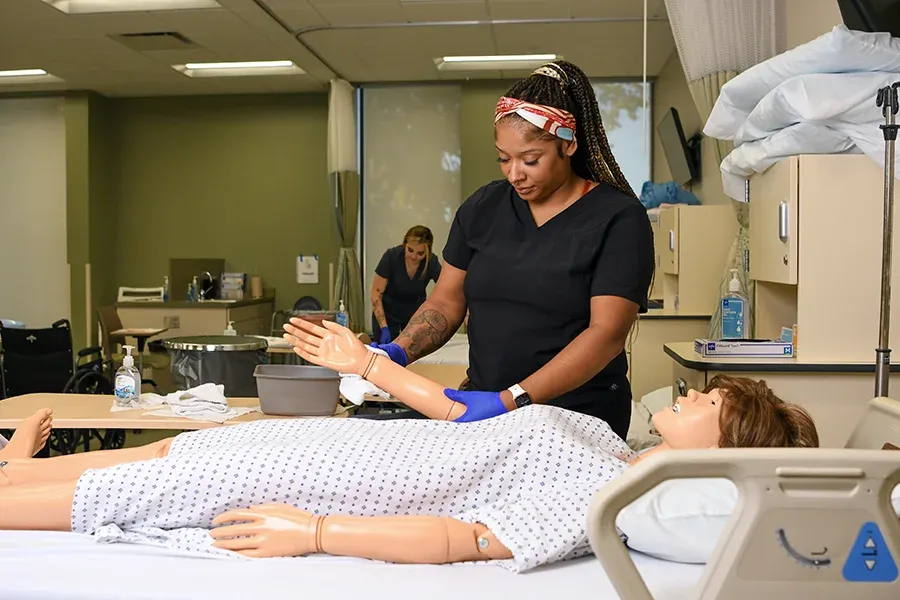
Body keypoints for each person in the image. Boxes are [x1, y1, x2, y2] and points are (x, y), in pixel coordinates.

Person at [0, 318, 819, 573]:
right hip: (333, 446)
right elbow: (466, 415)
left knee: (128, 491)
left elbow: (463, 541)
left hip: (334, 491)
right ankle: (15, 469)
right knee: (162, 456)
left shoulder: (612, 499)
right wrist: (368, 367)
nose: (689, 392)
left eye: (707, 400)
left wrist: (315, 533)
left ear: (723, 451)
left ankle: (12, 484)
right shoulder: (602, 436)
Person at [370, 61, 655, 439]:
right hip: (485, 410)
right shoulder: (483, 207)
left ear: (568, 144)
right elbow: (445, 303)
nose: (514, 173)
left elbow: (605, 335)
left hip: (577, 418)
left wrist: (514, 399)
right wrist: (399, 351)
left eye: (530, 160)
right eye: (504, 158)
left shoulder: (618, 219)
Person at [371, 225, 442, 344]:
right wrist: (383, 327)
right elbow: (376, 294)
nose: (414, 257)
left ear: (428, 252)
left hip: (414, 314)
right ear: (404, 245)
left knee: (412, 352)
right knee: (386, 353)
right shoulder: (392, 257)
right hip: (388, 312)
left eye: (420, 253)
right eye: (410, 250)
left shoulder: (431, 262)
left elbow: (446, 288)